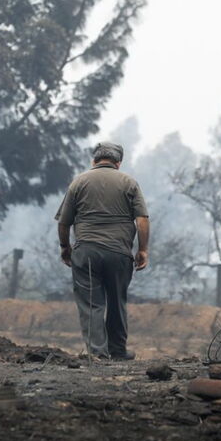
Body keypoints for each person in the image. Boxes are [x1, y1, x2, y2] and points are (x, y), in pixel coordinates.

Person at [55, 141, 149, 360]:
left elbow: (63, 222)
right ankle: (118, 350)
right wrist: (143, 250)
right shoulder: (129, 183)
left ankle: (97, 353)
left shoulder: (78, 183)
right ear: (118, 162)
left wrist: (65, 247)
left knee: (90, 303)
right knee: (117, 301)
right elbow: (142, 219)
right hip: (119, 253)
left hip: (86, 251)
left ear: (94, 160)